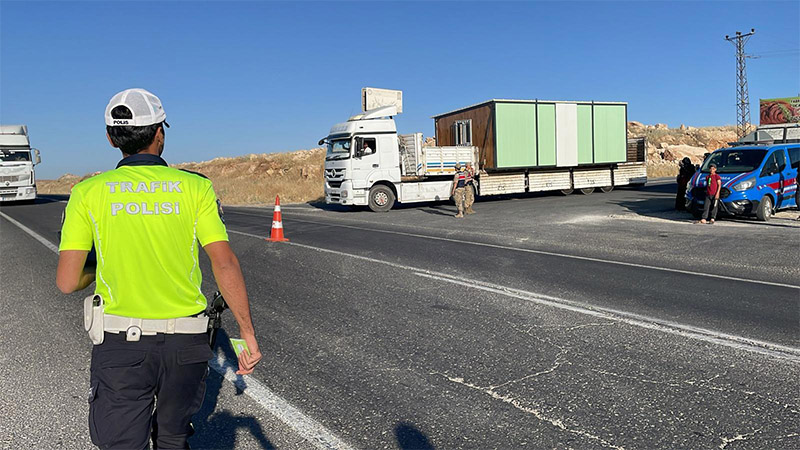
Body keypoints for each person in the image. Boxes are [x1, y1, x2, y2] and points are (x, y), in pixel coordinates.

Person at [56, 88, 262, 449]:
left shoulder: (87, 193)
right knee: (172, 437)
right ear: (160, 133)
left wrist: (99, 266)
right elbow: (224, 261)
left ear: (110, 137)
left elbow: (68, 281)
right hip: (187, 341)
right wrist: (247, 333)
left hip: (121, 344)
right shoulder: (195, 187)